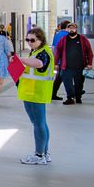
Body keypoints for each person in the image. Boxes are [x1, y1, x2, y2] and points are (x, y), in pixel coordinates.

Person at [17, 28, 56, 165]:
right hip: (32, 92)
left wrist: (20, 59)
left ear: (41, 40)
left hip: (35, 93)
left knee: (38, 123)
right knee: (41, 123)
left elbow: (39, 64)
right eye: (27, 40)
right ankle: (44, 153)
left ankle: (39, 155)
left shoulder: (43, 53)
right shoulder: (37, 51)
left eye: (32, 40)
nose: (29, 43)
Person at [54, 22, 94, 105]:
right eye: (69, 28)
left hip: (80, 66)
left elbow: (89, 52)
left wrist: (89, 63)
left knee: (79, 83)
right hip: (66, 66)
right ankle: (70, 98)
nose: (71, 30)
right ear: (67, 29)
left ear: (76, 29)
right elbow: (57, 52)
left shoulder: (83, 39)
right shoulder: (63, 39)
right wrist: (56, 63)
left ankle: (78, 97)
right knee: (67, 83)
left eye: (73, 28)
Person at [50, 21, 70, 100]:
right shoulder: (67, 35)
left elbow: (54, 47)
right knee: (65, 76)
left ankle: (53, 93)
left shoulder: (57, 35)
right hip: (65, 59)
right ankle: (74, 92)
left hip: (58, 59)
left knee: (60, 77)